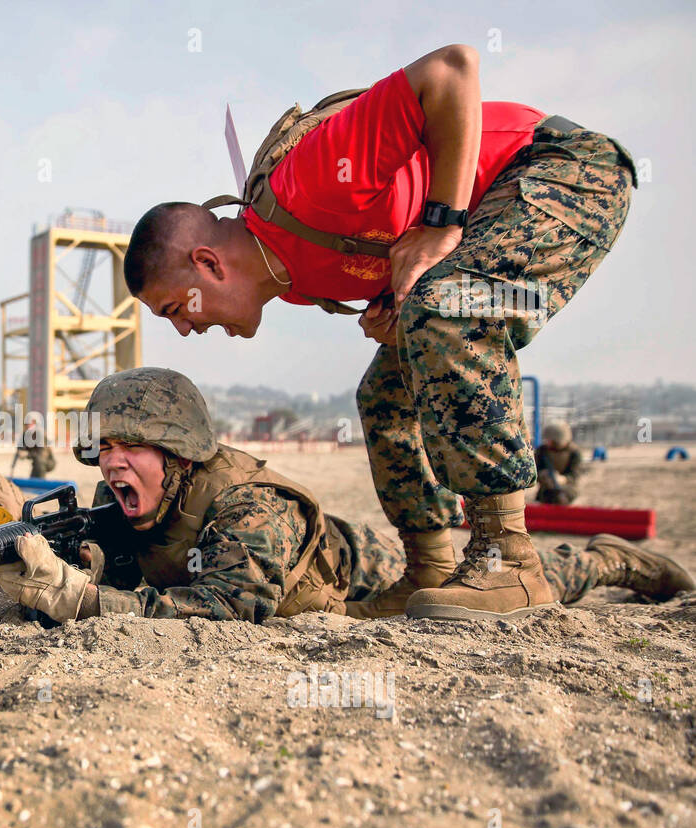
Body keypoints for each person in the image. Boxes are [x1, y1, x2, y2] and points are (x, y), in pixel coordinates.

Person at [120, 43, 635, 621]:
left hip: (561, 170)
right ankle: (433, 564)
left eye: (174, 309)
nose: (186, 330)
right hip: (494, 209)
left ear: (210, 264)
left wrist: (443, 225)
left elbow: (451, 69)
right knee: (385, 391)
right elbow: (399, 230)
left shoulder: (310, 183)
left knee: (444, 315)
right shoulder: (293, 279)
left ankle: (507, 559)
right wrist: (397, 304)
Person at [0, 369, 692, 623]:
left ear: (177, 453)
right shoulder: (127, 499)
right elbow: (141, 567)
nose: (112, 465)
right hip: (329, 596)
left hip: (376, 573)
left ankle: (605, 560)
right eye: (103, 450)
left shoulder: (248, 507)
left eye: (131, 448)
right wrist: (83, 566)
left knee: (488, 597)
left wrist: (90, 602)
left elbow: (225, 607)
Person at [535, 422, 583, 505]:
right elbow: (535, 470)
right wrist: (542, 475)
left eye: (551, 441)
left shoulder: (574, 452)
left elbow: (575, 475)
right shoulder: (542, 451)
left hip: (567, 489)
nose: (548, 443)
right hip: (546, 490)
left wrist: (563, 479)